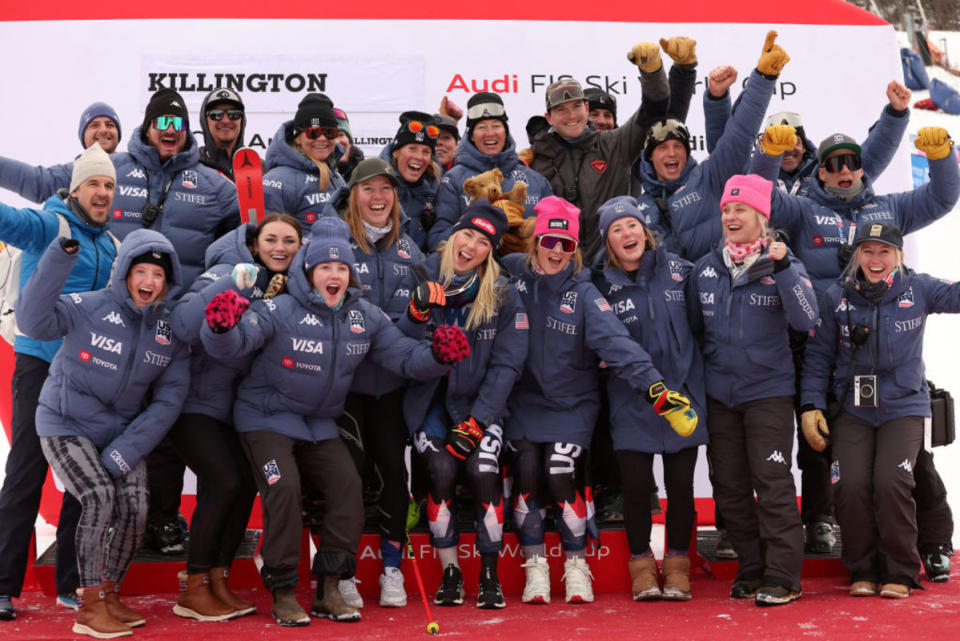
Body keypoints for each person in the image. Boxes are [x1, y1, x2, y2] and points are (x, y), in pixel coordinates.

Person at [199, 216, 469, 626]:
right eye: (325, 267)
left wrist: (437, 357)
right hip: (266, 419)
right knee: (284, 487)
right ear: (308, 272)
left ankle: (329, 587)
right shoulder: (279, 308)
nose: (334, 275)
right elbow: (236, 343)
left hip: (319, 423)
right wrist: (220, 326)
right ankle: (284, 588)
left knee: (348, 485)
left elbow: (401, 357)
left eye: (342, 268)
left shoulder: (365, 316)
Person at [502, 196, 697, 605]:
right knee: (526, 475)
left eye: (567, 244)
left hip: (572, 404)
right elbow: (457, 264)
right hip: (523, 402)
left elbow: (618, 344)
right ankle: (535, 566)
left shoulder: (585, 292)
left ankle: (577, 566)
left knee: (558, 473)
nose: (557, 251)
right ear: (536, 240)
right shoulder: (510, 275)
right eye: (550, 240)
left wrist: (658, 392)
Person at [16, 229, 189, 639]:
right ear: (124, 273)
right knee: (98, 496)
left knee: (136, 506)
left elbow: (169, 401)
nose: (148, 282)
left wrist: (124, 452)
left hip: (119, 435)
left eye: (158, 275)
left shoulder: (168, 332)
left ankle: (110, 592)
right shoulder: (88, 306)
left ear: (169, 281)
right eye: (141, 271)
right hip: (64, 423)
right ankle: (89, 604)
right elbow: (32, 321)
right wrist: (60, 258)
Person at [800, 222, 960, 598]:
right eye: (868, 251)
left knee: (892, 482)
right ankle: (863, 568)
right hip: (853, 407)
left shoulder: (917, 287)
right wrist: (811, 406)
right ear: (857, 254)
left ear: (898, 256)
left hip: (903, 405)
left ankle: (900, 570)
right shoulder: (835, 296)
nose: (875, 260)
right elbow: (819, 357)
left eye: (884, 251)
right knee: (850, 484)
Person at [0, 146, 121, 620]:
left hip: (84, 377)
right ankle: (4, 584)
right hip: (38, 367)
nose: (103, 192)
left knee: (81, 482)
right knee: (26, 473)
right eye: (94, 183)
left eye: (109, 185)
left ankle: (71, 582)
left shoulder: (110, 245)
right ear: (75, 189)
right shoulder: (50, 225)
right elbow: (10, 221)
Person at [166, 213, 304, 621]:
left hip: (234, 409)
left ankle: (217, 578)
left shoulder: (291, 288)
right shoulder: (229, 270)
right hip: (193, 402)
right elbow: (182, 323)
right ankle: (192, 585)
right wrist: (234, 284)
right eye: (272, 239)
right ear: (256, 244)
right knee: (225, 481)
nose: (280, 248)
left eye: (290, 241)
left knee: (242, 485)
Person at [690, 174, 818, 607]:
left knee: (772, 482)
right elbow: (694, 330)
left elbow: (806, 320)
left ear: (762, 217)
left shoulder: (784, 262)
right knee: (728, 487)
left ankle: (783, 576)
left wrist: (782, 269)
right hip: (720, 396)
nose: (730, 216)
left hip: (768, 393)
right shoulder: (706, 268)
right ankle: (751, 568)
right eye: (726, 209)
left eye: (740, 209)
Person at [400, 200, 527, 609]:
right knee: (439, 469)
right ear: (454, 234)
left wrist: (478, 419)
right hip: (430, 402)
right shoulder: (421, 273)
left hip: (479, 404)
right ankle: (450, 572)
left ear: (491, 251)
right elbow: (399, 348)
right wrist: (415, 313)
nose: (470, 246)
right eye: (467, 235)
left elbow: (507, 366)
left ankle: (490, 574)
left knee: (482, 468)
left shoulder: (503, 294)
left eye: (482, 242)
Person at [592, 196, 707, 601]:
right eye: (617, 229)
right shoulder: (598, 282)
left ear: (645, 230)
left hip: (682, 399)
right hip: (631, 403)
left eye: (633, 226)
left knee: (680, 488)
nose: (628, 234)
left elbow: (703, 326)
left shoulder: (681, 271)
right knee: (637, 490)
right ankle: (641, 565)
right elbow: (593, 338)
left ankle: (677, 565)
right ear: (607, 240)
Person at [334, 158, 426, 608]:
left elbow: (423, 318)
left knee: (393, 471)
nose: (378, 198)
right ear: (353, 195)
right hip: (345, 385)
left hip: (390, 386)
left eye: (385, 189)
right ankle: (343, 573)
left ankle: (392, 568)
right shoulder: (336, 244)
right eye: (368, 189)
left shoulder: (409, 249)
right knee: (347, 477)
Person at [531, 36, 698, 261]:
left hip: (613, 267)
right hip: (561, 270)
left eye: (577, 106)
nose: (571, 116)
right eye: (561, 110)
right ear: (549, 118)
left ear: (585, 107)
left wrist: (652, 72)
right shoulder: (535, 160)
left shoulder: (614, 144)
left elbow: (655, 110)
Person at [631, 31, 790, 261]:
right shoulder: (638, 208)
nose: (672, 153)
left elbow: (739, 135)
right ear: (650, 157)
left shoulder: (710, 177)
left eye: (678, 146)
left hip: (718, 287)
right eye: (662, 148)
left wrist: (763, 79)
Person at [429, 92, 552, 250]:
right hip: (476, 271)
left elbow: (555, 231)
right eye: (481, 127)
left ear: (505, 131)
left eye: (496, 125)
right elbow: (437, 237)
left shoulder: (535, 179)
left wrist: (527, 240)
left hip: (525, 271)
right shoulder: (453, 179)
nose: (490, 133)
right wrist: (474, 230)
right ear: (472, 135)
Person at [0, 102, 121, 203]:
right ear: (83, 136)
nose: (104, 129)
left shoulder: (135, 167)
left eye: (110, 125)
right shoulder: (75, 172)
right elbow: (38, 183)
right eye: (94, 125)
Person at [263, 93, 349, 230]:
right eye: (313, 133)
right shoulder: (276, 182)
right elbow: (268, 240)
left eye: (329, 133)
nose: (322, 138)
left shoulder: (335, 175)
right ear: (298, 138)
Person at [378, 111, 441, 251]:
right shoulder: (374, 184)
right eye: (412, 148)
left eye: (426, 152)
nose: (419, 157)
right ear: (396, 151)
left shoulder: (437, 187)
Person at [198, 87, 247, 180]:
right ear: (205, 121)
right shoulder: (191, 167)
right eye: (216, 114)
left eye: (234, 114)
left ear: (242, 120)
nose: (225, 120)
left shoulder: (261, 170)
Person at [334, 107, 364, 182]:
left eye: (340, 135)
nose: (336, 142)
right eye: (330, 137)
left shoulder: (367, 174)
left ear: (350, 142)